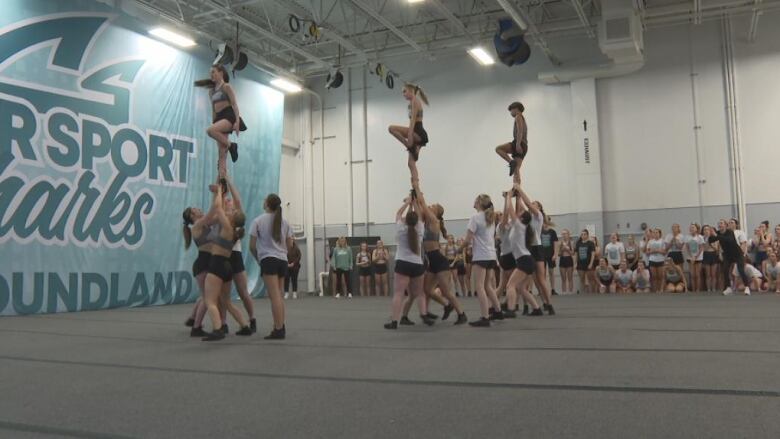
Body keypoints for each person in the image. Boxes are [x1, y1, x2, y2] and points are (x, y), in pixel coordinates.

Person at [201, 178, 252, 341]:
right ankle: (245, 325)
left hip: (217, 265)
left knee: (210, 300)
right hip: (227, 267)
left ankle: (217, 329)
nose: (229, 211)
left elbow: (217, 208)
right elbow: (222, 208)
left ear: (232, 218)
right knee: (227, 301)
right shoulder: (234, 231)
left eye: (232, 212)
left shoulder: (227, 227)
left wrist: (218, 192)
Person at [411, 182, 467, 324]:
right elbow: (419, 210)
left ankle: (461, 314)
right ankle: (445, 306)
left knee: (446, 291)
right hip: (432, 260)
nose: (430, 206)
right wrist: (414, 199)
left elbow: (423, 205)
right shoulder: (425, 221)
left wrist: (418, 191)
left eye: (433, 206)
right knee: (427, 289)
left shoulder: (434, 221)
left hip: (439, 260)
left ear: (436, 213)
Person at [249, 193, 294, 340]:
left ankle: (279, 328)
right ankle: (280, 325)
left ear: (267, 204)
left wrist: (258, 259)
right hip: (282, 260)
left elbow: (252, 246)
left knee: (274, 296)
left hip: (268, 260)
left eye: (264, 199)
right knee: (279, 295)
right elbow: (290, 244)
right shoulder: (285, 222)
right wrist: (283, 253)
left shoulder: (258, 221)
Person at [384, 196, 429, 329]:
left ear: (405, 220)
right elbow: (420, 215)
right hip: (417, 264)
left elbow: (398, 214)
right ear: (416, 221)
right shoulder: (420, 228)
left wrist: (407, 203)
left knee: (399, 293)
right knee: (419, 293)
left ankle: (394, 321)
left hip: (403, 263)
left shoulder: (400, 229)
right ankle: (424, 314)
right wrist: (414, 202)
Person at [194, 65, 246, 177]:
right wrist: (214, 123)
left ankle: (232, 145)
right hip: (219, 118)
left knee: (210, 131)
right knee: (221, 154)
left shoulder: (226, 87)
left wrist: (237, 121)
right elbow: (213, 110)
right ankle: (222, 182)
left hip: (228, 117)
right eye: (210, 73)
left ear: (221, 73)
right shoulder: (211, 92)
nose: (211, 75)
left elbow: (234, 105)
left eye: (213, 72)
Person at [501, 185, 543, 317]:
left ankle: (511, 310)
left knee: (510, 286)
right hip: (526, 260)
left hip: (525, 261)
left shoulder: (519, 226)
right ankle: (537, 309)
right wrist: (516, 196)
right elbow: (513, 210)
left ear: (522, 218)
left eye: (520, 213)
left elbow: (510, 210)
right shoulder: (518, 226)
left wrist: (508, 196)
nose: (518, 213)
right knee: (520, 288)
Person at [464, 194, 502, 326]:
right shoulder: (490, 218)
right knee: (488, 286)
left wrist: (460, 249)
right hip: (491, 255)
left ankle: (485, 317)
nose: (473, 202)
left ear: (479, 203)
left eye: (475, 200)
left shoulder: (475, 217)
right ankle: (498, 311)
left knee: (479, 286)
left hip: (481, 256)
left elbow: (468, 239)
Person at [517, 187, 556, 314]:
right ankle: (534, 305)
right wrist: (516, 194)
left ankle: (549, 305)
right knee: (530, 280)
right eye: (532, 203)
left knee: (541, 279)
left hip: (537, 248)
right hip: (528, 249)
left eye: (535, 204)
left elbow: (527, 203)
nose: (532, 204)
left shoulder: (538, 216)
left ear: (539, 208)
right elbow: (521, 205)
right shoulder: (527, 217)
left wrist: (520, 189)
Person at [388, 83, 429, 182]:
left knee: (391, 128)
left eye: (404, 91)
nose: (403, 94)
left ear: (411, 91)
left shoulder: (415, 100)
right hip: (416, 131)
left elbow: (413, 120)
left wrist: (410, 135)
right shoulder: (411, 103)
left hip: (417, 132)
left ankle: (409, 146)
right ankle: (416, 189)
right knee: (411, 164)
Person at [182, 204, 213, 337]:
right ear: (192, 216)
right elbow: (214, 212)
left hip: (206, 262)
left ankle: (193, 318)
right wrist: (219, 194)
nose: (200, 209)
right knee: (208, 298)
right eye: (196, 210)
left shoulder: (204, 224)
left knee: (205, 296)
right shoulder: (198, 225)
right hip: (203, 264)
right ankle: (196, 328)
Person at [709, 219, 752, 296]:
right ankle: (728, 287)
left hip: (737, 254)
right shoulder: (718, 233)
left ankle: (747, 287)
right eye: (719, 224)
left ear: (726, 225)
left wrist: (717, 236)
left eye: (721, 223)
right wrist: (710, 234)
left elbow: (729, 240)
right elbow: (710, 240)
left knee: (741, 270)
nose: (720, 225)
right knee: (725, 270)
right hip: (728, 255)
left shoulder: (730, 232)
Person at [494, 102, 527, 183]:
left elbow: (520, 131)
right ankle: (517, 190)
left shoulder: (518, 116)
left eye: (511, 111)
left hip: (519, 143)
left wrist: (518, 144)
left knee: (498, 149)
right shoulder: (522, 118)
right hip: (525, 145)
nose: (511, 113)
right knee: (516, 170)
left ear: (516, 109)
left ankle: (511, 161)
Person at [684, 223, 704, 292]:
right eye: (690, 227)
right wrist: (691, 256)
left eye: (693, 227)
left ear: (696, 229)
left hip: (698, 257)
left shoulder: (700, 237)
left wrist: (696, 256)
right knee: (692, 274)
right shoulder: (687, 237)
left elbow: (701, 248)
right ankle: (693, 289)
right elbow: (687, 247)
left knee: (697, 274)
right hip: (690, 257)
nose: (691, 229)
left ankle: (698, 289)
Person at [541, 223, 559, 295]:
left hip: (550, 254)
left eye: (546, 222)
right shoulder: (539, 231)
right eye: (543, 222)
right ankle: (543, 289)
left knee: (551, 272)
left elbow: (555, 243)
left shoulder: (552, 232)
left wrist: (555, 254)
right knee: (543, 273)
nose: (544, 224)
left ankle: (553, 289)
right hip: (542, 255)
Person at [701, 225, 719, 292]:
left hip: (713, 254)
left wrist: (710, 243)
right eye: (705, 229)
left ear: (710, 231)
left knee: (713, 274)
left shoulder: (714, 238)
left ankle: (713, 288)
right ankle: (708, 289)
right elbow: (703, 248)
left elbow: (716, 248)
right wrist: (706, 243)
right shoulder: (702, 238)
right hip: (706, 254)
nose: (706, 231)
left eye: (707, 229)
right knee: (708, 274)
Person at [558, 229, 575, 294]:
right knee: (563, 278)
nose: (564, 235)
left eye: (565, 234)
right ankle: (564, 292)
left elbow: (573, 253)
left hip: (569, 259)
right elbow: (559, 254)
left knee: (570, 277)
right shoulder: (560, 242)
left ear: (568, 234)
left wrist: (568, 249)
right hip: (562, 259)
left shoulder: (571, 242)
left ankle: (570, 292)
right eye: (563, 234)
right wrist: (562, 249)